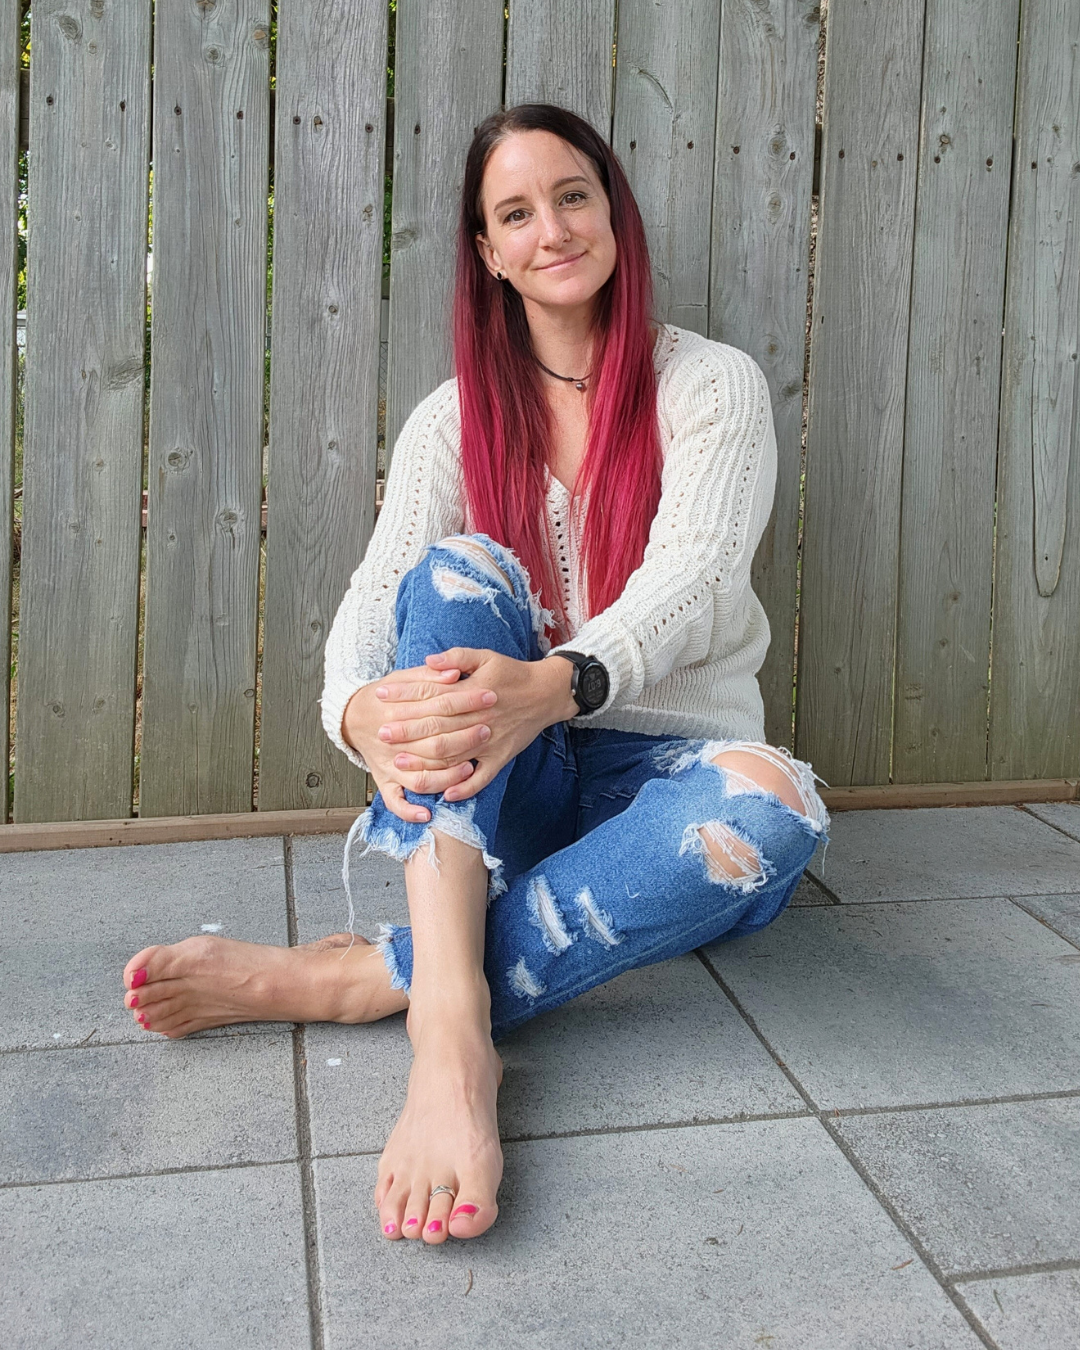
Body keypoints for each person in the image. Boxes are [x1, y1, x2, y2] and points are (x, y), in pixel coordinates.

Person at [121, 102, 830, 1247]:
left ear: (613, 211)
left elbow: (694, 580)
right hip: (493, 791)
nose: (551, 228)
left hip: (659, 779)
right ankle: (452, 1035)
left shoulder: (711, 385)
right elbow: (376, 598)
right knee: (453, 573)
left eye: (573, 196)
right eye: (516, 212)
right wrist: (357, 712)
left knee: (775, 807)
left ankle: (374, 976)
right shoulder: (453, 422)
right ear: (488, 253)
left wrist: (555, 685)